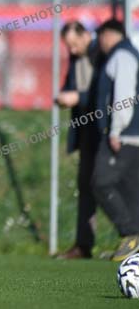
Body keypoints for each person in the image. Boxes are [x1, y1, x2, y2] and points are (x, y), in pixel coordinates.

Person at [91, 19, 139, 262]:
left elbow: (124, 95)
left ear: (110, 34)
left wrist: (115, 130)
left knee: (101, 182)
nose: (99, 41)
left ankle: (130, 234)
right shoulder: (126, 54)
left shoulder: (122, 56)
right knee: (130, 189)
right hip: (132, 135)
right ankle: (134, 244)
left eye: (101, 36)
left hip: (125, 134)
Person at [54, 21, 101, 259]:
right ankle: (83, 245)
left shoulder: (101, 55)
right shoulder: (75, 59)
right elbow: (70, 86)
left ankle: (130, 237)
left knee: (108, 185)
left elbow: (104, 93)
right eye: (67, 46)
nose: (71, 50)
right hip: (85, 133)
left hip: (105, 132)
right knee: (85, 186)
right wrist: (63, 97)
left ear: (85, 36)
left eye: (74, 44)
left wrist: (78, 97)